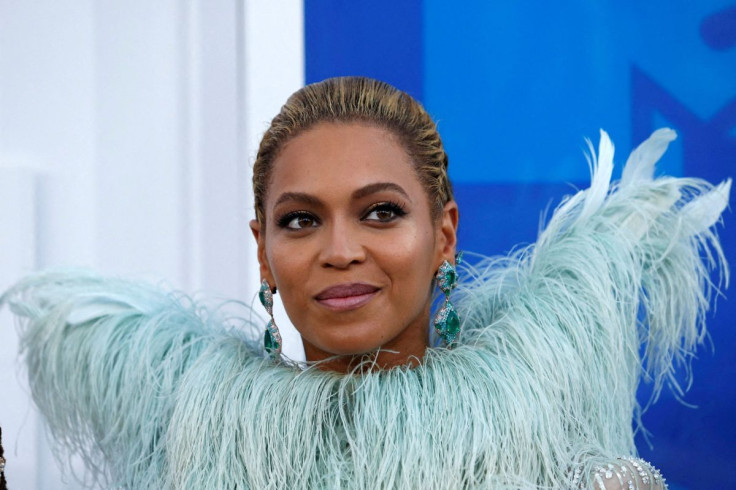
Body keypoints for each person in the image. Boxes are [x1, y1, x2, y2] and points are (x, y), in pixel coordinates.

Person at [3, 77, 729, 489]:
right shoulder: (185, 466)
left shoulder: (581, 481)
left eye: (381, 212)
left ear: (442, 234)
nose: (340, 250)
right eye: (299, 221)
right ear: (263, 251)